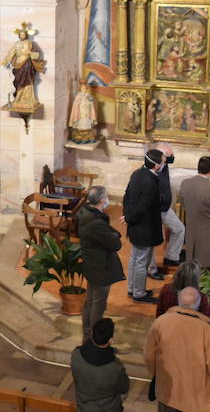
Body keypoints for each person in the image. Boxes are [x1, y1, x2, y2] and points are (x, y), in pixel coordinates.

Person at [76, 185, 124, 341]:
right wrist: (114, 235)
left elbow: (110, 234)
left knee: (90, 302)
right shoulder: (96, 223)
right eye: (107, 197)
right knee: (98, 304)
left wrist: (112, 234)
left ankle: (87, 335)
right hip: (100, 267)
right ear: (102, 200)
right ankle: (94, 339)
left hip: (92, 263)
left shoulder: (85, 213)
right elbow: (116, 244)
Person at [122, 147, 168, 304]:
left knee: (134, 258)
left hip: (136, 226)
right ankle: (139, 293)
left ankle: (132, 288)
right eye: (163, 161)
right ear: (156, 166)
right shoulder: (150, 183)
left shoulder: (137, 174)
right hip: (144, 228)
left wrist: (128, 217)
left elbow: (126, 196)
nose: (164, 164)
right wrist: (129, 218)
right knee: (142, 261)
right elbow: (143, 206)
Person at [179, 156, 210, 269]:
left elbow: (183, 203)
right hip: (209, 235)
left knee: (193, 267)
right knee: (207, 269)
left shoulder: (185, 184)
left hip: (191, 232)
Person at [156, 145, 186, 275]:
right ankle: (151, 269)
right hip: (157, 210)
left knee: (179, 229)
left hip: (165, 208)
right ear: (161, 157)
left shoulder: (164, 166)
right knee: (153, 242)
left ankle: (171, 257)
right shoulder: (155, 170)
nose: (172, 158)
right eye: (170, 156)